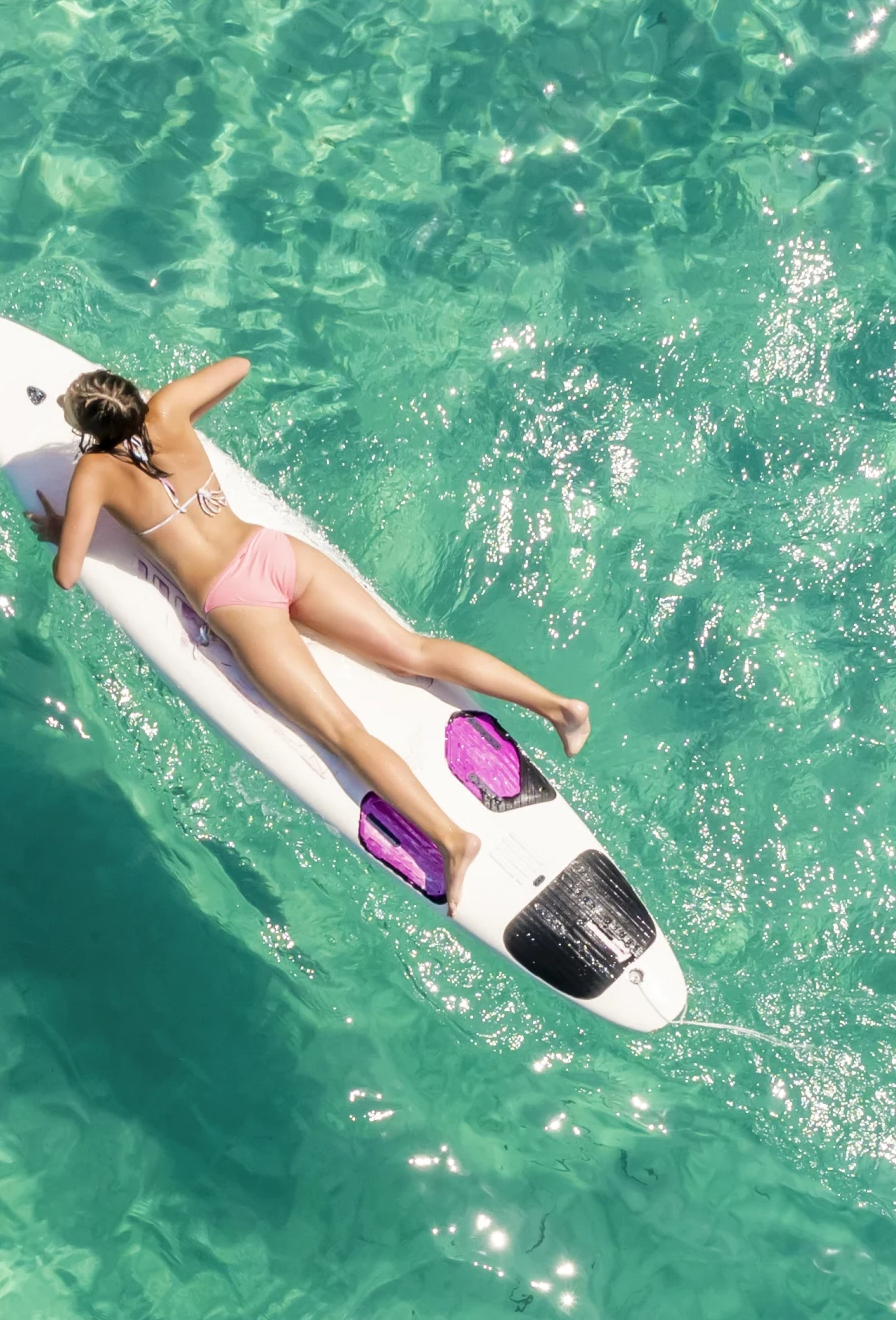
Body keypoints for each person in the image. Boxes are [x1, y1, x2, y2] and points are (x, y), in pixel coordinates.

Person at [34, 357, 588, 908]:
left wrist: (67, 527)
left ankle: (453, 840)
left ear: (89, 430)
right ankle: (560, 708)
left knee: (343, 733)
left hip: (237, 604)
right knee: (410, 650)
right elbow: (240, 367)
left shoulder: (95, 473)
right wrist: (175, 409)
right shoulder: (170, 410)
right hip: (272, 553)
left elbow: (66, 575)